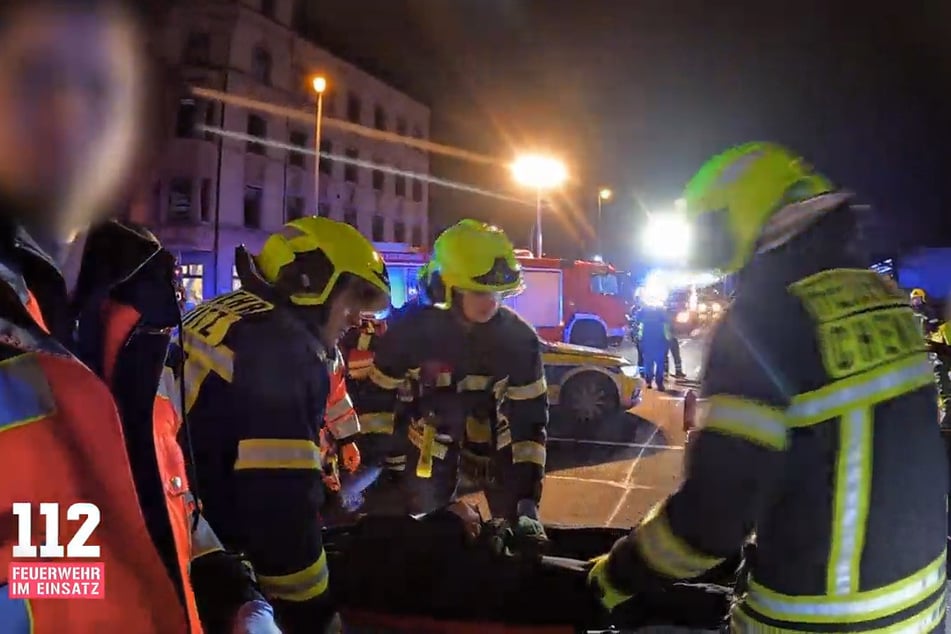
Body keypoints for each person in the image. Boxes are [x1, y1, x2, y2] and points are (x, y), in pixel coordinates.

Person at [589, 142, 947, 632]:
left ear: (735, 224)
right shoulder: (885, 299)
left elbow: (711, 522)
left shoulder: (765, 320)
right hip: (923, 608)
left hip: (815, 620)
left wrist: (613, 576)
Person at [0, 1, 276, 632]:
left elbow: (161, 503)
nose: (71, 111)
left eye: (104, 85)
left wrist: (231, 595)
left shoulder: (143, 303)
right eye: (35, 75)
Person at [178, 217, 390, 633]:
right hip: (202, 545)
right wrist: (315, 610)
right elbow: (279, 509)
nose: (355, 318)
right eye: (352, 300)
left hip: (176, 517)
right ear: (311, 283)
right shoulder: (286, 347)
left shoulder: (229, 312)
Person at [350, 220, 549, 543]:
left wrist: (527, 500)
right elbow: (378, 408)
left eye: (497, 292)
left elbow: (530, 423)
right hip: (425, 455)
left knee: (511, 546)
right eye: (478, 291)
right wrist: (387, 472)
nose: (490, 302)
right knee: (429, 540)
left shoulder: (519, 340)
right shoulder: (410, 334)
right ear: (446, 287)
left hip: (495, 456)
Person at [637, 301, 670, 391]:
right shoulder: (663, 322)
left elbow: (640, 334)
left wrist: (640, 343)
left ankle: (649, 382)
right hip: (659, 346)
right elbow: (667, 335)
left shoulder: (644, 322)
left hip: (648, 346)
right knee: (660, 365)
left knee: (648, 365)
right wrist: (667, 343)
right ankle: (659, 383)